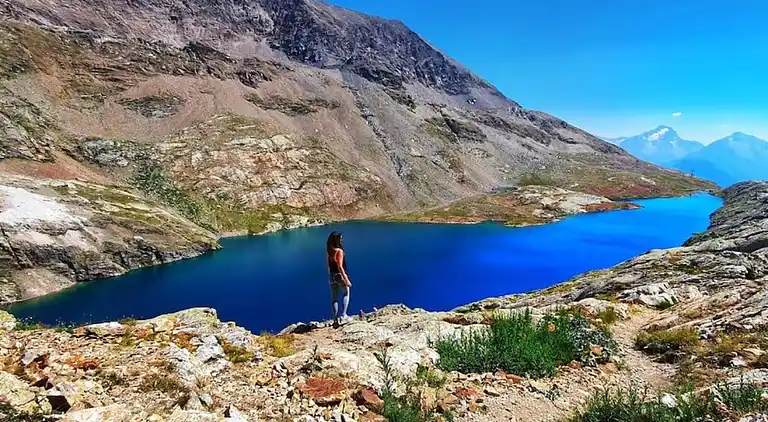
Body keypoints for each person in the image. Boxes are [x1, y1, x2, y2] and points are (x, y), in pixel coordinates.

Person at [326, 231, 351, 326]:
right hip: (339, 276)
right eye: (340, 238)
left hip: (331, 276)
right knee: (346, 293)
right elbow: (340, 266)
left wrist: (331, 276)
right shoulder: (339, 251)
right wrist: (346, 279)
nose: (342, 240)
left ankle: (335, 320)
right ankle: (344, 315)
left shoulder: (329, 252)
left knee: (334, 299)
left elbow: (328, 266)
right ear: (336, 240)